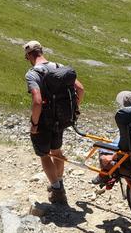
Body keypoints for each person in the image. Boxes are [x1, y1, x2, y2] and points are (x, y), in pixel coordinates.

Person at [24, 40, 85, 204]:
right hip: (61, 118)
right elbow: (80, 89)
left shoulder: (32, 74)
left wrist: (34, 124)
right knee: (57, 152)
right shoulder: (59, 67)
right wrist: (74, 108)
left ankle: (57, 190)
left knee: (44, 155)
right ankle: (60, 183)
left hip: (44, 120)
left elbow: (37, 101)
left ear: (29, 55)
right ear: (41, 51)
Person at [92, 90, 131, 188]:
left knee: (103, 150)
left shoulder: (128, 125)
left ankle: (104, 175)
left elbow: (126, 146)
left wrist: (112, 157)